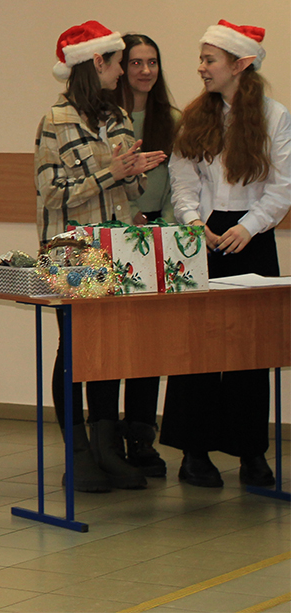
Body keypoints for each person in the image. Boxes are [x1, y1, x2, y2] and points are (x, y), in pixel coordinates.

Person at [34, 21, 167, 492]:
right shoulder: (55, 120)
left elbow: (129, 191)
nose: (123, 71)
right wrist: (111, 172)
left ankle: (107, 448)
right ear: (96, 63)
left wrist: (134, 172)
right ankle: (78, 453)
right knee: (74, 350)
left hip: (116, 248)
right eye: (117, 62)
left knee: (109, 348)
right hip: (71, 252)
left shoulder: (118, 116)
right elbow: (52, 193)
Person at [161, 20, 291, 488]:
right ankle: (193, 452)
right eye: (201, 58)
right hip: (204, 237)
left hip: (252, 239)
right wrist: (193, 221)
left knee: (250, 350)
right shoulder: (196, 116)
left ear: (240, 65)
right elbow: (182, 179)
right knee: (197, 348)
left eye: (209, 59)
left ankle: (251, 451)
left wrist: (248, 227)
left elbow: (282, 187)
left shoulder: (274, 116)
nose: (201, 67)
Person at [114, 32, 182, 477]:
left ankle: (141, 436)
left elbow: (182, 184)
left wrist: (166, 227)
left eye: (151, 62)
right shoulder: (106, 118)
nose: (145, 70)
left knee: (148, 344)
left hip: (159, 236)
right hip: (116, 233)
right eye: (136, 62)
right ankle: (104, 439)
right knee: (112, 341)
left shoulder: (172, 120)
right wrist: (130, 218)